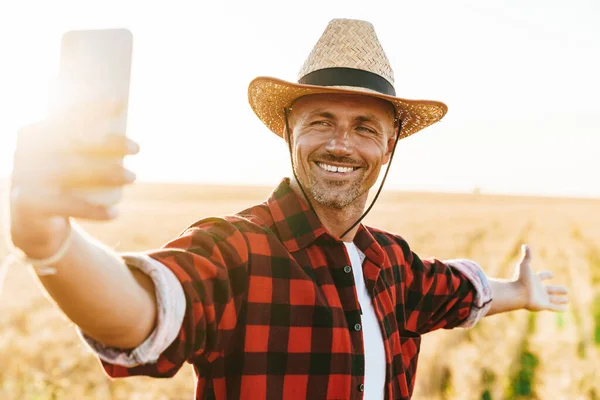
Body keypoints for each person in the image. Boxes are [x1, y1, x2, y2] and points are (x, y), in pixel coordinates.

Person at [8, 19, 569, 400]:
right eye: (321, 121)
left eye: (365, 127)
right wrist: (50, 239)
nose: (341, 144)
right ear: (289, 133)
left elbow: (456, 291)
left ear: (389, 148)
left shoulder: (391, 262)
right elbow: (148, 308)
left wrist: (519, 291)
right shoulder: (236, 248)